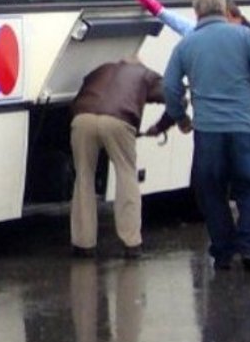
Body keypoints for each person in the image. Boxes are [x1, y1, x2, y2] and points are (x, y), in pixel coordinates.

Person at [134, 0, 250, 251]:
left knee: (212, 190)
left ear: (198, 13)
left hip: (209, 130)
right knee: (249, 185)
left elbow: (171, 87)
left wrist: (180, 118)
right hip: (247, 125)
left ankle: (225, 250)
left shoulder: (191, 41)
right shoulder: (249, 38)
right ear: (224, 11)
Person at [68, 56, 186, 259]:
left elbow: (78, 98)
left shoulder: (101, 68)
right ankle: (131, 242)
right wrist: (162, 126)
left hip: (82, 119)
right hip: (118, 120)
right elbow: (176, 96)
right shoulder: (146, 74)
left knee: (84, 177)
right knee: (126, 174)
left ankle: (83, 244)